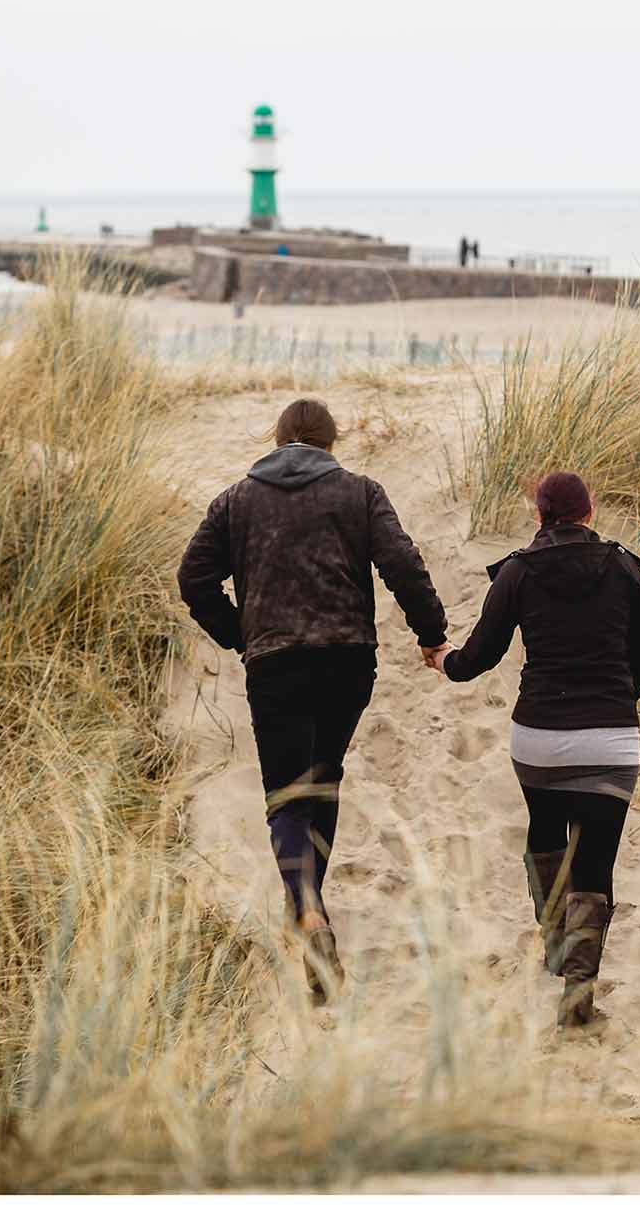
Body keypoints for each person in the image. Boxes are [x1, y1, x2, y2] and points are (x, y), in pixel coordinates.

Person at [178, 398, 449, 1004]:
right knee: (324, 780)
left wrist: (239, 634)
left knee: (287, 795)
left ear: (276, 440)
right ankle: (307, 908)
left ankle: (308, 912)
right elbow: (402, 564)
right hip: (348, 660)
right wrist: (431, 634)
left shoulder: (236, 500)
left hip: (275, 662)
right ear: (333, 441)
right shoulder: (360, 491)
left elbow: (192, 578)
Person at [426, 472, 640, 1029]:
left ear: (539, 515)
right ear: (590, 511)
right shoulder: (624, 568)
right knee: (595, 861)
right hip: (611, 739)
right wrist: (616, 703)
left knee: (546, 832)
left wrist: (442, 659)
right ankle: (578, 992)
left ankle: (555, 945)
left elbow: (478, 657)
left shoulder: (518, 571)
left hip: (539, 740)